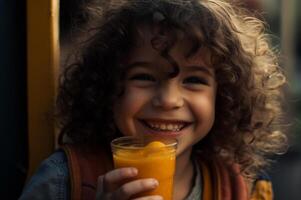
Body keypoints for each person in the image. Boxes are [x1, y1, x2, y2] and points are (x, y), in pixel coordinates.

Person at [20, 0, 287, 199]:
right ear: (106, 84)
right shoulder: (64, 182)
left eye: (194, 80)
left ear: (225, 96)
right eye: (145, 77)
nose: (168, 100)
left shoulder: (239, 187)